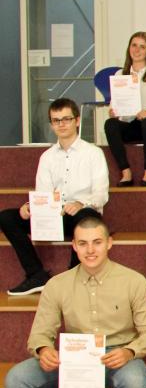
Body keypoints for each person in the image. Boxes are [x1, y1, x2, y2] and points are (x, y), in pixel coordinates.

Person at [5, 216, 146, 388]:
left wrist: (129, 351)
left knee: (134, 384)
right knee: (16, 380)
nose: (90, 250)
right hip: (75, 358)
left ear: (109, 243)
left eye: (97, 242)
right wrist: (44, 350)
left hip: (119, 356)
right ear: (74, 246)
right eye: (83, 243)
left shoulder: (134, 282)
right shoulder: (57, 284)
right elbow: (40, 332)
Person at [0, 98, 107, 295]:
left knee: (85, 217)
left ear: (77, 121)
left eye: (66, 119)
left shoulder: (94, 153)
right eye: (56, 120)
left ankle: (74, 277)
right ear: (51, 124)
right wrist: (30, 208)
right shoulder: (47, 157)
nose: (61, 124)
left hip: (82, 214)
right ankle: (36, 275)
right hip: (54, 217)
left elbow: (101, 194)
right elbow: (43, 194)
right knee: (6, 217)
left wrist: (81, 203)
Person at [103, 31, 146, 186]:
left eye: (142, 47)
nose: (137, 50)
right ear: (129, 48)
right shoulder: (120, 74)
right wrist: (113, 111)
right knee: (110, 124)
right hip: (131, 124)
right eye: (134, 45)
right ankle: (125, 172)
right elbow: (115, 103)